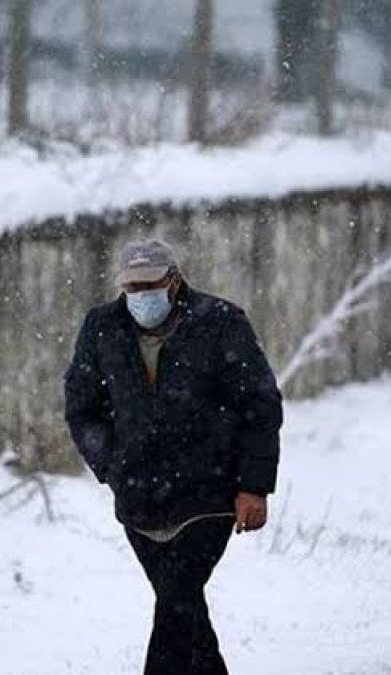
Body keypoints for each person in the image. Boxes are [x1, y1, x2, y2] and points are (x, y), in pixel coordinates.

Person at [64, 239, 283, 674]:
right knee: (184, 614)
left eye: (151, 284)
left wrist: (253, 486)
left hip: (208, 497)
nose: (142, 295)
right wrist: (113, 465)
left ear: (174, 279)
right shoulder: (101, 328)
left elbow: (260, 406)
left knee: (177, 600)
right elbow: (82, 408)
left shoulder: (220, 323)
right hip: (140, 502)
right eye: (132, 287)